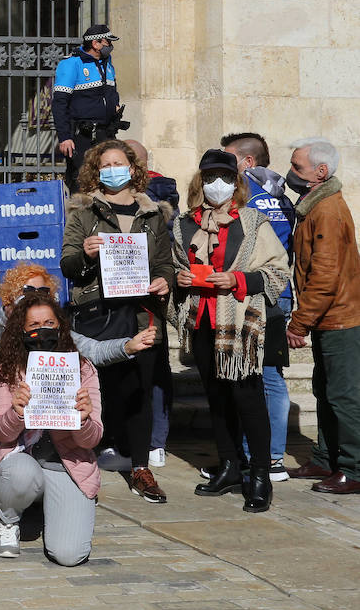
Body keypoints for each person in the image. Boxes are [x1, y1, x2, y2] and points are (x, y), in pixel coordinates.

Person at [0, 263, 151, 496]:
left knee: (42, 486)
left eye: (44, 292)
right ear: (12, 296)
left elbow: (93, 349)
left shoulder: (56, 331)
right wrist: (2, 412)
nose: (37, 296)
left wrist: (127, 346)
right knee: (9, 482)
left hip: (45, 427)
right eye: (29, 290)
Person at [170, 150, 289, 513]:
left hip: (239, 325)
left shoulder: (252, 221)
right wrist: (180, 278)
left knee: (248, 399)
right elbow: (175, 265)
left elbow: (277, 271)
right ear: (199, 182)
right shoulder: (184, 224)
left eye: (223, 177)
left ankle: (260, 476)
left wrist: (237, 278)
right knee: (217, 398)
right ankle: (229, 466)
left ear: (234, 182)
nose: (216, 185)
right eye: (209, 178)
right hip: (202, 321)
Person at [61, 139, 173, 503]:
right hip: (97, 313)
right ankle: (86, 457)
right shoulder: (83, 212)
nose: (112, 169)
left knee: (140, 389)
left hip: (141, 313)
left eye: (119, 163)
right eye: (105, 164)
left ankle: (140, 466)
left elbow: (164, 264)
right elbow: (68, 265)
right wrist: (86, 253)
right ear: (96, 170)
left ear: (133, 168)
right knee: (98, 388)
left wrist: (164, 281)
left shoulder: (154, 214)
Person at [0, 293, 102, 565]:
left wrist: (83, 418)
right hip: (23, 459)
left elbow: (93, 438)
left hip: (67, 463)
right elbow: (0, 432)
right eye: (34, 326)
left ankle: (51, 507)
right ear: (21, 331)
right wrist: (16, 412)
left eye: (49, 322)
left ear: (60, 325)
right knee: (19, 472)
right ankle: (9, 520)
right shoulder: (7, 369)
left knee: (70, 555)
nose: (42, 330)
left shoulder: (82, 368)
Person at [284, 137, 360, 494]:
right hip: (329, 318)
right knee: (325, 390)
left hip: (340, 320)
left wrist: (301, 321)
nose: (291, 173)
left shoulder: (327, 209)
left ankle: (354, 468)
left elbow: (325, 274)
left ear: (321, 171)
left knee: (343, 396)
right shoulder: (314, 204)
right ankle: (326, 458)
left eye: (298, 167)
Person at [223, 131, 297, 481]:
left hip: (252, 289)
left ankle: (265, 458)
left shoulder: (244, 195)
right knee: (271, 374)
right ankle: (270, 456)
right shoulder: (281, 195)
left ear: (247, 162)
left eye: (229, 158)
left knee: (259, 374)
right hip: (280, 290)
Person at [123, 138, 177, 468]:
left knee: (154, 368)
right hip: (114, 296)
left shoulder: (161, 192)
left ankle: (156, 440)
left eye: (128, 161)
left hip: (150, 296)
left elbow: (165, 241)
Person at [52, 24, 123, 192]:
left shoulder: (107, 63)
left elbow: (111, 91)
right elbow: (59, 103)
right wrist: (64, 137)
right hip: (82, 135)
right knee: (82, 180)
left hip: (106, 133)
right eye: (107, 42)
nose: (110, 46)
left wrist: (115, 106)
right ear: (95, 44)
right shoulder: (72, 64)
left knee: (109, 180)